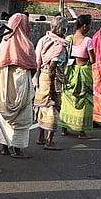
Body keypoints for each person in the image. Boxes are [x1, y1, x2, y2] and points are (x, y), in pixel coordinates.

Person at [0, 12, 36, 158]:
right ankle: (17, 149)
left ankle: (5, 146)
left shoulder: (4, 42)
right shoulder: (27, 45)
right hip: (21, 82)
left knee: (5, 113)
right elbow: (32, 67)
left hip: (4, 84)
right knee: (22, 115)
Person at [33, 16, 69, 150]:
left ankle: (40, 136)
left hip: (41, 75)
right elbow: (53, 66)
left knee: (42, 106)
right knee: (53, 108)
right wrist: (57, 84)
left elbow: (38, 59)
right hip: (51, 78)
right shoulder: (59, 45)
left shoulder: (43, 40)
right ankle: (49, 140)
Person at [59, 14, 95, 138]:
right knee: (84, 100)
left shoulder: (69, 39)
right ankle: (81, 130)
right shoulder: (88, 41)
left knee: (68, 98)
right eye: (89, 25)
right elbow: (92, 59)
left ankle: (64, 127)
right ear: (84, 26)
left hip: (70, 71)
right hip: (83, 72)